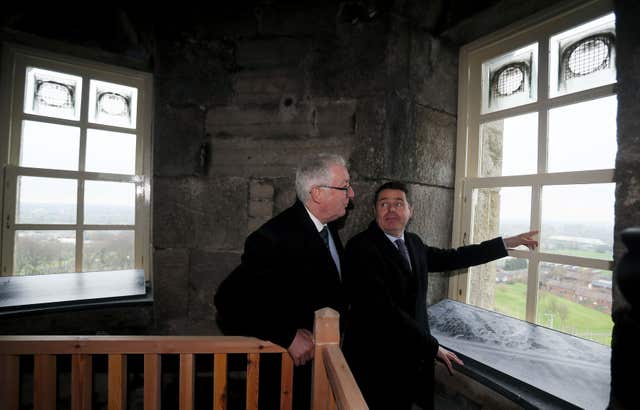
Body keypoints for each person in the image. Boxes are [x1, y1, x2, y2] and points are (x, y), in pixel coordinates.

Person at [342, 181, 538, 410]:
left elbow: (454, 257)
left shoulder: (413, 242)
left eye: (398, 203)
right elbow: (383, 310)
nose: (391, 210)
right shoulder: (360, 248)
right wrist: (433, 346)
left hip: (411, 361)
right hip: (377, 364)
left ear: (410, 210)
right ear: (375, 210)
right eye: (384, 204)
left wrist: (505, 244)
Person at [214, 153, 354, 409]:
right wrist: (288, 336)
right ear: (317, 193)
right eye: (345, 186)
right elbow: (228, 301)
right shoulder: (272, 238)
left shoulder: (328, 227)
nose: (352, 193)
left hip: (323, 367)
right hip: (288, 376)